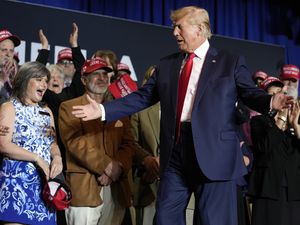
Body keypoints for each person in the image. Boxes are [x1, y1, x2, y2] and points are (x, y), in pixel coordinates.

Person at [71, 6, 293, 225]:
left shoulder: (229, 62)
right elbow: (142, 97)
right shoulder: (167, 64)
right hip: (176, 153)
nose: (174, 32)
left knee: (212, 220)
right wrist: (102, 110)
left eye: (179, 27)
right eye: (173, 27)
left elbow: (249, 93)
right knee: (166, 217)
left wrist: (271, 101)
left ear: (199, 29)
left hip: (215, 154)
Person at [58, 57, 135, 225]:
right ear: (83, 79)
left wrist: (118, 167)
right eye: (96, 74)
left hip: (116, 190)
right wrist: (108, 166)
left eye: (105, 74)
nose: (102, 78)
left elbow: (129, 145)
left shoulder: (119, 108)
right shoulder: (69, 107)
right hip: (84, 189)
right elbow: (75, 143)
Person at [0, 61, 63, 225]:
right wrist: (36, 158)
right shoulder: (9, 108)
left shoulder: (46, 112)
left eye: (45, 81)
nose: (44, 84)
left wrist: (57, 158)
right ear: (24, 80)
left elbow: (53, 144)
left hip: (44, 190)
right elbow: (4, 145)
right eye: (39, 79)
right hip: (17, 188)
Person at [248, 76, 300, 225]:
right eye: (272, 95)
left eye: (280, 92)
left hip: (294, 191)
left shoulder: (295, 120)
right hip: (267, 189)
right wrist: (280, 120)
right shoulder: (259, 121)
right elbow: (264, 147)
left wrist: (296, 126)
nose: (278, 97)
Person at [130, 65, 160, 225]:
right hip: (148, 181)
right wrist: (148, 160)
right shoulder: (140, 108)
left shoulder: (183, 108)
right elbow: (131, 143)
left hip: (177, 184)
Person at [0, 29, 20, 105]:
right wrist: (1, 81)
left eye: (11, 51)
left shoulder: (18, 72)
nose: (8, 54)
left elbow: (35, 72)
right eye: (4, 50)